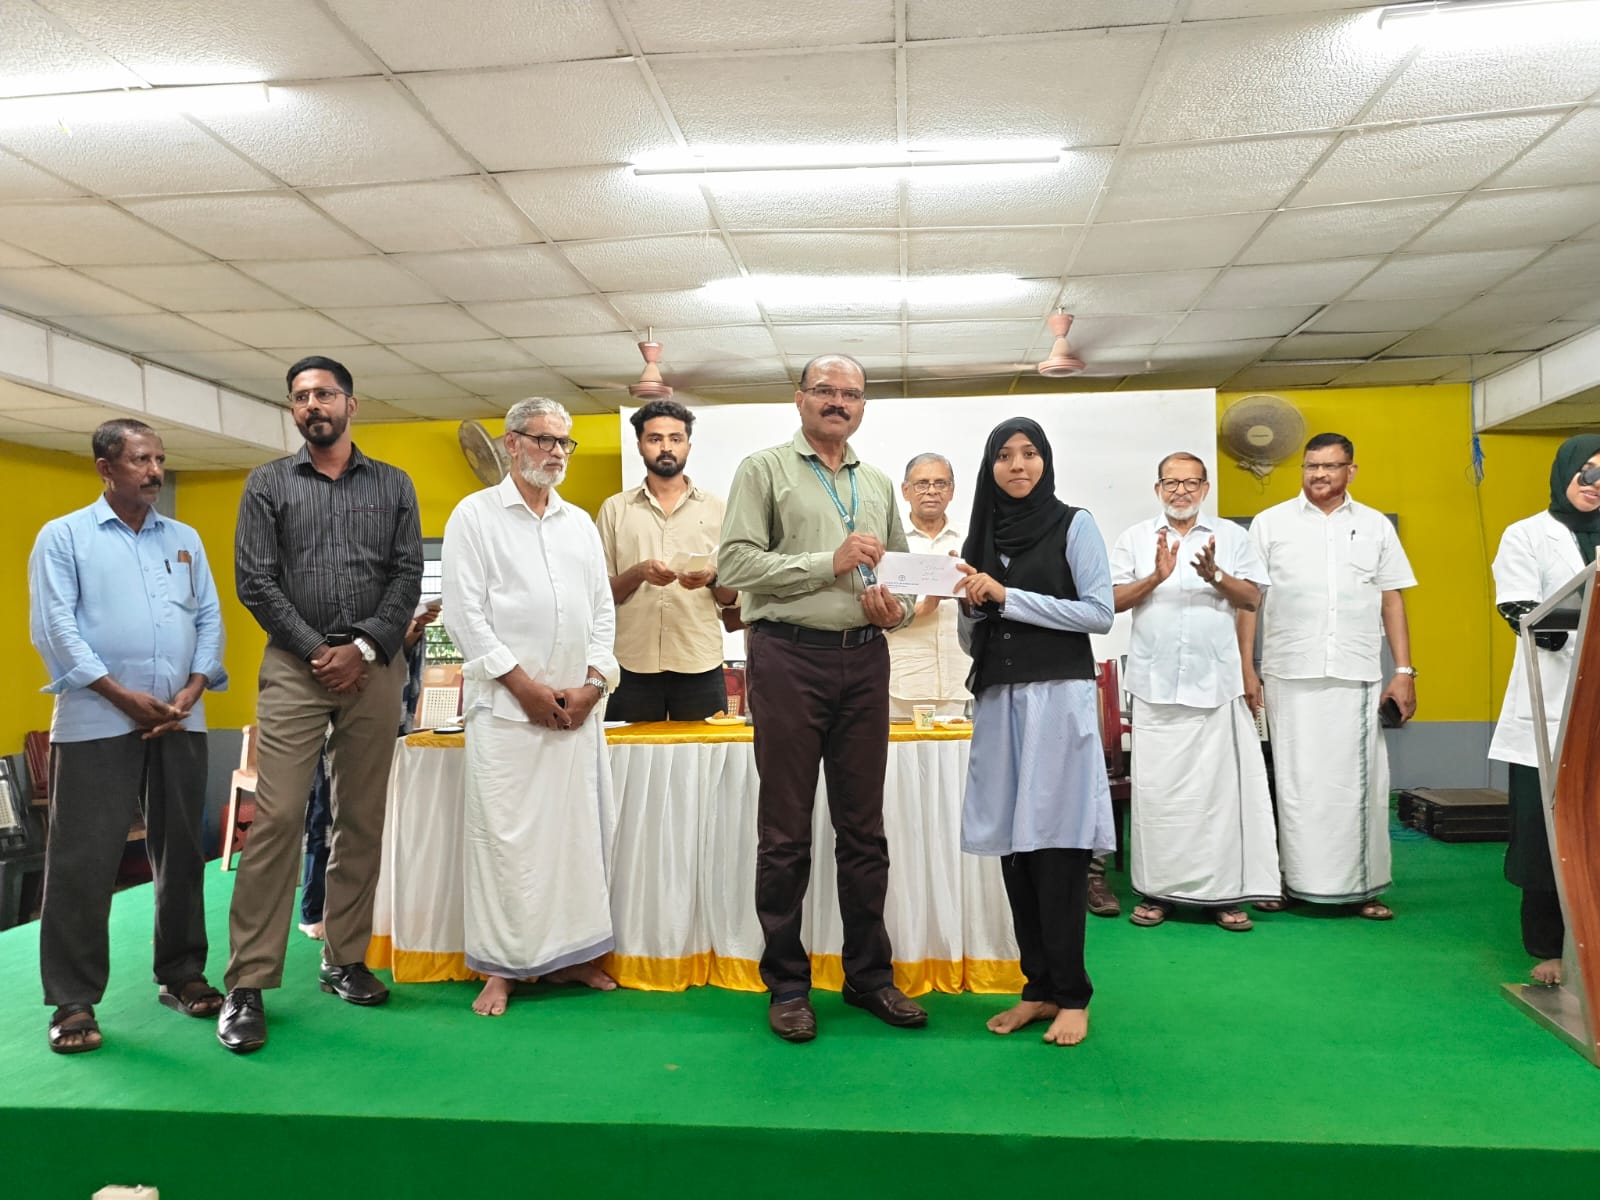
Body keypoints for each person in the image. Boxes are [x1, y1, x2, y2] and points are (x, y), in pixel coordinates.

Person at [718, 353, 926, 1042]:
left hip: (864, 659)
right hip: (787, 659)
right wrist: (825, 562)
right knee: (785, 833)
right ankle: (786, 984)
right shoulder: (764, 470)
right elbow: (734, 564)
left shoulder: (878, 482)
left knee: (864, 831)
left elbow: (902, 575)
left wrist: (896, 608)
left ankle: (869, 977)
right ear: (800, 398)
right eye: (826, 391)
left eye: (852, 394)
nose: (839, 402)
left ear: (863, 406)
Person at [217, 355, 422, 1053]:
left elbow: (407, 574)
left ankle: (345, 959)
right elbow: (255, 580)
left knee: (360, 817)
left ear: (350, 405)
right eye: (301, 397)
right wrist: (316, 651)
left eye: (325, 394)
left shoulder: (393, 484)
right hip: (295, 668)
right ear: (293, 409)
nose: (313, 405)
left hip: (373, 667)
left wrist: (361, 647)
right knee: (277, 818)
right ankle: (247, 982)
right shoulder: (268, 483)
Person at [28, 418, 228, 1054]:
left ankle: (182, 975)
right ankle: (73, 1001)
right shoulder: (65, 537)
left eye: (159, 459)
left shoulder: (184, 539)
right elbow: (55, 628)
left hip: (181, 717)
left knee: (183, 852)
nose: (154, 471)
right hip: (96, 720)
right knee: (82, 861)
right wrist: (119, 696)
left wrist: (193, 688)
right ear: (105, 467)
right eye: (140, 459)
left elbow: (210, 618)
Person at [442, 398, 621, 1017]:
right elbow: (465, 615)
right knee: (506, 844)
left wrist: (593, 685)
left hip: (577, 710)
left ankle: (570, 956)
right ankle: (501, 968)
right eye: (544, 440)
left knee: (574, 839)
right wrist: (523, 687)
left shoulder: (579, 524)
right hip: (506, 712)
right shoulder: (475, 516)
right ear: (511, 443)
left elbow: (602, 612)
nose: (556, 452)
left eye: (564, 442)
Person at [954, 417, 1115, 1048]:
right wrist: (971, 607)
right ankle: (1037, 988)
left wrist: (1008, 594)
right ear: (990, 467)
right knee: (1014, 849)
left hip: (1058, 699)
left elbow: (1099, 613)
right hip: (1000, 699)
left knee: (1059, 846)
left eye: (1029, 454)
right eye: (1004, 455)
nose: (1017, 465)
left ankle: (1073, 995)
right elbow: (973, 637)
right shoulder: (982, 534)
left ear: (1045, 461)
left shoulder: (1074, 524)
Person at [1239, 433, 1417, 920]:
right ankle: (1286, 881)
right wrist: (1246, 669)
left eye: (1330, 466)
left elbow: (1392, 599)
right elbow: (1249, 602)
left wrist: (1403, 671)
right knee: (1292, 785)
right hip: (1289, 673)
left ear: (1350, 471)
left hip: (1355, 675)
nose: (1319, 474)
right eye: (1311, 466)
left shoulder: (1375, 526)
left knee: (1358, 786)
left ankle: (1361, 887)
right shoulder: (1270, 524)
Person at [1110, 452, 1278, 932]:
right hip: (1155, 688)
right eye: (1171, 482)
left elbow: (1253, 598)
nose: (1180, 491)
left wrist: (1215, 576)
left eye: (1190, 483)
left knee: (1217, 800)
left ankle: (1223, 896)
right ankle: (1157, 893)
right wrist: (1156, 578)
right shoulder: (1135, 538)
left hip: (1215, 686)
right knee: (1158, 798)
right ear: (1158, 489)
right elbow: (1112, 601)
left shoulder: (1232, 537)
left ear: (1205, 489)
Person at [1488, 434, 1600, 988]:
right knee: (1544, 830)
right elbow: (1521, 609)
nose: (1594, 484)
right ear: (1565, 472)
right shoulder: (1527, 534)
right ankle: (1550, 946)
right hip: (1549, 701)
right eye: (1586, 471)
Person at [299, 601, 438, 941]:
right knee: (324, 811)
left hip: (375, 707)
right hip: (329, 703)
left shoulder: (391, 596)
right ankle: (314, 908)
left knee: (370, 814)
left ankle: (361, 906)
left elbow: (394, 657)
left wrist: (410, 632)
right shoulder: (328, 596)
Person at [597, 399, 738, 721]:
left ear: (688, 445)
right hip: (632, 662)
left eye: (675, 438)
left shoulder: (718, 509)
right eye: (655, 439)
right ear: (640, 445)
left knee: (703, 753)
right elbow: (600, 596)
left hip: (699, 659)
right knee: (630, 753)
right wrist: (638, 573)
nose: (666, 447)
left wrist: (712, 577)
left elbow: (733, 597)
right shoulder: (615, 509)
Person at [886, 452, 972, 722]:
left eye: (941, 483)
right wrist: (926, 604)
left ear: (952, 491)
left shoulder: (970, 539)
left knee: (955, 749)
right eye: (922, 484)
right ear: (905, 491)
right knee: (901, 750)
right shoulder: (890, 542)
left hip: (958, 675)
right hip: (903, 679)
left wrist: (967, 592)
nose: (932, 491)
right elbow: (878, 612)